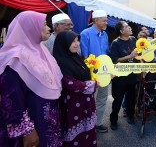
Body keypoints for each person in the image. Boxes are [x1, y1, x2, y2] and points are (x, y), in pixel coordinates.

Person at [0, 11, 63, 146]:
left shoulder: (41, 50)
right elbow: (10, 99)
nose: (48, 28)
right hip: (31, 127)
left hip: (46, 121)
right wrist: (27, 130)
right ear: (30, 28)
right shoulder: (15, 58)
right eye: (44, 25)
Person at [53, 31, 97, 146]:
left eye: (77, 40)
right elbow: (71, 84)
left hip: (86, 103)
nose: (77, 44)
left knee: (87, 132)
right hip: (72, 105)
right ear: (64, 43)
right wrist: (94, 84)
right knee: (74, 134)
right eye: (73, 41)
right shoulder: (59, 62)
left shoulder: (76, 57)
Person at [80, 10, 109, 133]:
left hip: (105, 73)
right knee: (88, 100)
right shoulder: (85, 34)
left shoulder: (105, 35)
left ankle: (98, 123)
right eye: (104, 20)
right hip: (90, 74)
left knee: (102, 99)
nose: (106, 23)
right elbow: (84, 57)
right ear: (96, 20)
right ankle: (86, 124)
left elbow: (106, 54)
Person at [109, 21, 138, 130]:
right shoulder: (115, 43)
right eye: (126, 26)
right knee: (118, 100)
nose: (130, 27)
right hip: (119, 77)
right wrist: (129, 56)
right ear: (121, 31)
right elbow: (114, 60)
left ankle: (130, 115)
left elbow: (138, 54)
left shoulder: (134, 39)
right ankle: (113, 120)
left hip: (132, 75)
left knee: (131, 98)